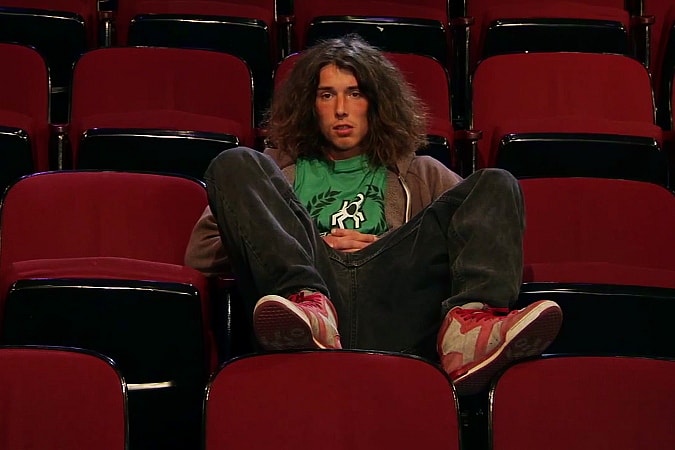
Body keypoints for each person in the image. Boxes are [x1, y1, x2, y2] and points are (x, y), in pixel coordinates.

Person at [185, 35, 562, 396]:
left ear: (377, 102)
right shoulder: (274, 173)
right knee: (234, 161)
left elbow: (485, 242)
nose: (341, 109)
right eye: (326, 95)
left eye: (355, 93)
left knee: (497, 182)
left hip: (395, 293)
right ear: (309, 106)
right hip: (312, 290)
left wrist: (388, 244)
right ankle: (308, 304)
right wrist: (300, 243)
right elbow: (201, 255)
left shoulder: (422, 173)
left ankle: (469, 332)